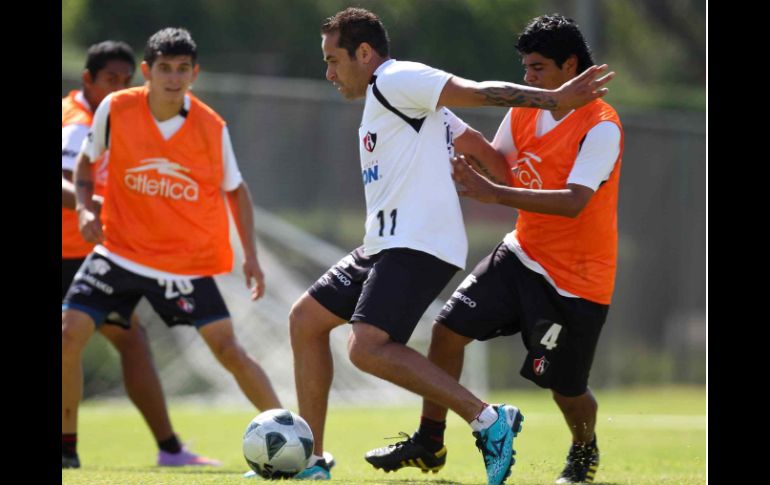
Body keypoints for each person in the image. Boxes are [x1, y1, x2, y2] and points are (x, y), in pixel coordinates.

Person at [288, 7, 614, 484]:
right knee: (307, 320)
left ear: (364, 53)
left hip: (431, 245)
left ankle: (492, 420)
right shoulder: (398, 99)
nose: (329, 73)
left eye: (333, 60)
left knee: (368, 348)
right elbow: (481, 146)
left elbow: (477, 93)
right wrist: (483, 177)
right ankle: (316, 460)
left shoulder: (396, 78)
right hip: (396, 243)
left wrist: (550, 105)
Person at [61, 28, 282, 469]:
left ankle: (297, 442)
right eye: (165, 68)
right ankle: (66, 449)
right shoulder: (115, 108)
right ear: (147, 71)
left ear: (195, 74)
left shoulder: (211, 127)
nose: (174, 78)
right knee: (68, 335)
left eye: (183, 69)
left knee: (229, 350)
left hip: (183, 262)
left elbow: (236, 190)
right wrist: (84, 210)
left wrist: (252, 258)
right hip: (119, 251)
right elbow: (85, 161)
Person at [61, 40, 220, 469]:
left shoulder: (117, 117)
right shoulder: (77, 122)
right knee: (104, 340)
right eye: (109, 79)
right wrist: (91, 206)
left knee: (129, 340)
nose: (118, 87)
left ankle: (166, 448)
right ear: (88, 80)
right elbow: (68, 181)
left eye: (124, 80)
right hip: (76, 254)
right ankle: (159, 448)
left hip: (91, 253)